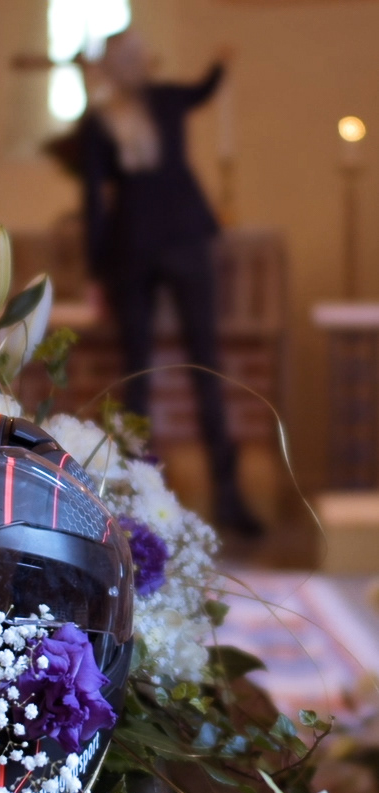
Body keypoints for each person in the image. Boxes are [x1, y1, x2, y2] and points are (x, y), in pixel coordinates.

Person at [77, 29, 263, 538]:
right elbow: (93, 201)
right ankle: (145, 496)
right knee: (157, 371)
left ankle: (210, 493)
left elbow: (95, 205)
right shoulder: (112, 118)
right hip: (155, 244)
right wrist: (96, 273)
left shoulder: (148, 105)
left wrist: (219, 63)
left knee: (178, 367)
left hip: (148, 243)